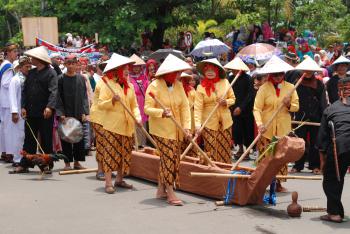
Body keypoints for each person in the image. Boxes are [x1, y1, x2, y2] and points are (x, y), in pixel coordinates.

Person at [144, 54, 191, 206]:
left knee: (169, 159)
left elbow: (185, 107)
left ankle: (160, 190)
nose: (178, 75)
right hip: (161, 130)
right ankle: (170, 192)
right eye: (176, 72)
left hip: (176, 129)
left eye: (179, 73)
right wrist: (161, 113)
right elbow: (147, 109)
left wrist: (187, 127)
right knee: (169, 159)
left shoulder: (178, 85)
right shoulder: (154, 86)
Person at [253, 55, 299, 192]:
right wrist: (260, 123)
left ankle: (278, 183)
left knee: (281, 156)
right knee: (266, 155)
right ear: (270, 74)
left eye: (281, 74)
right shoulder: (264, 88)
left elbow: (296, 106)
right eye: (276, 74)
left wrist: (289, 104)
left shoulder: (291, 87)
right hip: (266, 127)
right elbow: (256, 108)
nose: (278, 76)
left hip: (283, 127)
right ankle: (262, 181)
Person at [98, 53, 141, 194]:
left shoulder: (129, 85)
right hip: (112, 125)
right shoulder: (107, 84)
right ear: (116, 70)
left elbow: (134, 105)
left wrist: (137, 117)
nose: (127, 70)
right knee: (110, 153)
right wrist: (112, 101)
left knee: (124, 153)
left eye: (127, 68)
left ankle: (119, 179)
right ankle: (108, 182)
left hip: (127, 125)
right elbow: (100, 104)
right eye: (124, 68)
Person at [317, 76, 350, 223]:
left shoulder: (330, 109)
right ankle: (336, 211)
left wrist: (322, 161)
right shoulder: (331, 108)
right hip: (342, 146)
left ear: (338, 91)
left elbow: (322, 139)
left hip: (341, 147)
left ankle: (335, 213)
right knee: (337, 177)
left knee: (331, 180)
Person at [194, 58, 236, 164]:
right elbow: (198, 108)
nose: (210, 73)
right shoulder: (200, 87)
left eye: (212, 70)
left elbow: (233, 99)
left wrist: (226, 102)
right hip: (208, 123)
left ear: (217, 70)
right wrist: (198, 124)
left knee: (225, 149)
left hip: (225, 122)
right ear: (204, 72)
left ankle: (225, 171)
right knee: (211, 148)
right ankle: (212, 172)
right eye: (207, 70)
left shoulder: (225, 82)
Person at [290, 57, 327, 174]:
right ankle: (298, 165)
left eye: (310, 70)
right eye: (305, 70)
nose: (308, 72)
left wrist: (324, 116)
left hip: (316, 117)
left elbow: (323, 101)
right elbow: (292, 101)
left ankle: (314, 165)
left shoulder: (319, 83)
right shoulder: (296, 83)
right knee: (300, 142)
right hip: (300, 117)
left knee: (316, 142)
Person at [22, 47, 57, 156]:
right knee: (29, 138)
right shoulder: (31, 72)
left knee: (46, 138)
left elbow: (54, 91)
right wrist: (23, 106)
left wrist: (49, 107)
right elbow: (25, 91)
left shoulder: (51, 73)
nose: (31, 59)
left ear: (39, 59)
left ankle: (46, 164)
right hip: (31, 110)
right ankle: (26, 163)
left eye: (33, 57)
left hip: (45, 112)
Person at [56, 55, 89, 170]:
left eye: (73, 63)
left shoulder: (81, 78)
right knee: (66, 138)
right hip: (65, 113)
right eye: (68, 63)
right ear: (65, 65)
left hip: (78, 111)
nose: (70, 65)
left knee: (78, 137)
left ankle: (77, 162)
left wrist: (85, 111)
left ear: (76, 65)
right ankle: (67, 163)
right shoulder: (60, 79)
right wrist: (60, 113)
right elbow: (58, 97)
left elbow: (84, 96)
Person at [225, 58, 253, 160]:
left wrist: (241, 107)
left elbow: (250, 95)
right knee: (237, 130)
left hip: (246, 110)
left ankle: (247, 151)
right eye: (233, 69)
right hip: (233, 108)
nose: (234, 70)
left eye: (236, 69)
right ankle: (240, 148)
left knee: (247, 130)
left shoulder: (248, 79)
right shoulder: (230, 78)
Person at [8, 57, 31, 171]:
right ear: (20, 67)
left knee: (25, 136)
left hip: (26, 111)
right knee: (18, 136)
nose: (28, 68)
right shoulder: (15, 80)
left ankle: (24, 158)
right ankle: (17, 159)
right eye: (26, 67)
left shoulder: (28, 78)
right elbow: (12, 97)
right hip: (18, 112)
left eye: (29, 66)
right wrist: (14, 112)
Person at [0, 43, 18, 163]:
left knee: (4, 128)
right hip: (7, 101)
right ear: (8, 53)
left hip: (5, 101)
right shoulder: (8, 66)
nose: (17, 53)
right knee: (8, 128)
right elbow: (6, 83)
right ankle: (8, 153)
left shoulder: (5, 64)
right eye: (15, 51)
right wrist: (17, 78)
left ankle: (5, 152)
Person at [129, 54, 149, 148]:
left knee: (143, 121)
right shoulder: (129, 78)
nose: (136, 69)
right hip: (134, 100)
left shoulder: (144, 77)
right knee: (134, 120)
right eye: (134, 67)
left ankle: (142, 143)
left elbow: (147, 88)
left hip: (143, 101)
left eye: (138, 67)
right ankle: (134, 143)